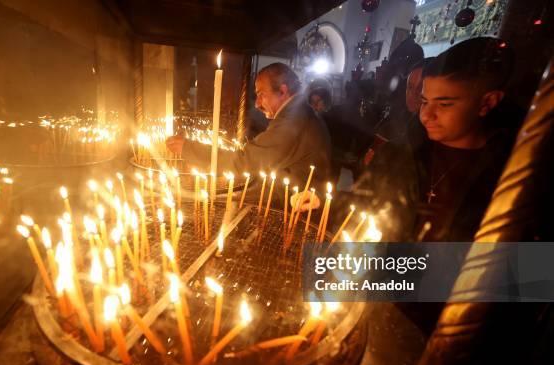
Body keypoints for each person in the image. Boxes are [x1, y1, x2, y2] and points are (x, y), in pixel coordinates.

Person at [296, 37, 524, 243]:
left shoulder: (513, 177)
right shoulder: (401, 152)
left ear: (488, 102)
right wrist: (323, 202)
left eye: (444, 104)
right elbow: (368, 203)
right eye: (424, 101)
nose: (426, 114)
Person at [166, 62, 331, 191]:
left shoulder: (294, 119)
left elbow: (244, 161)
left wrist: (188, 149)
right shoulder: (299, 112)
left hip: (299, 205)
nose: (258, 104)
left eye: (261, 94)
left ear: (282, 91)